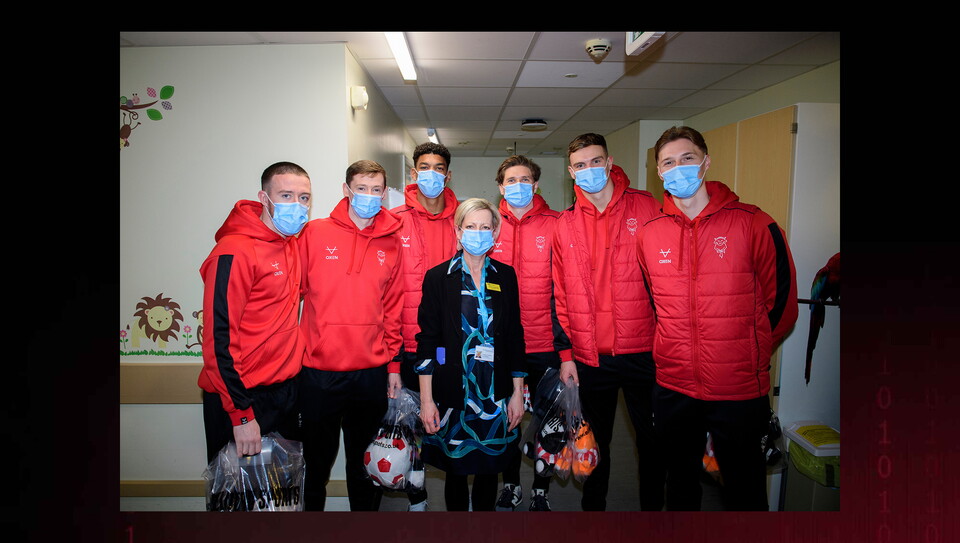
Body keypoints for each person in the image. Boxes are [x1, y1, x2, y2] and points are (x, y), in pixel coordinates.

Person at [637, 126, 798, 511]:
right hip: (674, 383)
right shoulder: (649, 234)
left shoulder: (754, 223)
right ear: (659, 172)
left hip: (739, 386)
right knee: (679, 485)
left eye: (687, 158)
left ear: (706, 162)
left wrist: (749, 351)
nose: (679, 168)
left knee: (744, 488)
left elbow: (783, 304)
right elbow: (655, 302)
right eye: (668, 162)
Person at [551, 133, 665, 511]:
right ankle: (593, 512)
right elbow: (560, 295)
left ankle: (652, 513)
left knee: (652, 440)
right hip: (589, 356)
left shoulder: (648, 209)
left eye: (595, 161)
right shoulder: (563, 224)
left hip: (643, 351)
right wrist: (566, 354)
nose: (589, 170)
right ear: (571, 172)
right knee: (594, 443)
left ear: (610, 161)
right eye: (580, 165)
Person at [297, 159, 404, 511]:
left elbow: (393, 309)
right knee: (315, 466)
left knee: (364, 468)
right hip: (318, 372)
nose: (369, 196)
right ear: (346, 190)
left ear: (385, 194)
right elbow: (288, 295)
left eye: (376, 190)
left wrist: (392, 366)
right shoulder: (313, 233)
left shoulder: (391, 243)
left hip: (369, 374)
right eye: (362, 188)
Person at [415, 198, 526, 511]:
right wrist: (428, 399)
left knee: (490, 470)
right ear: (458, 231)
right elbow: (430, 341)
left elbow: (515, 337)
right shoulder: (438, 278)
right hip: (454, 394)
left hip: (495, 393)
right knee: (456, 471)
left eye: (485, 227)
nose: (478, 233)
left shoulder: (506, 276)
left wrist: (518, 393)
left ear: (495, 232)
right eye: (471, 226)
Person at [198, 161, 311, 462]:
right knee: (239, 501)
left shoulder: (291, 245)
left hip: (286, 392)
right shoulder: (233, 251)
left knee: (284, 498)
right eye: (286, 195)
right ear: (264, 198)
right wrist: (242, 415)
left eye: (304, 197)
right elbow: (218, 340)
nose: (297, 205)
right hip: (243, 398)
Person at [488, 155, 561, 511]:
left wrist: (567, 351)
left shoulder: (557, 224)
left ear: (536, 184)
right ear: (500, 186)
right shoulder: (487, 225)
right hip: (500, 346)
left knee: (548, 422)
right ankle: (512, 484)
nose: (518, 185)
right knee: (507, 420)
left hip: (544, 343)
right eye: (510, 180)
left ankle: (541, 489)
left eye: (525, 179)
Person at [390, 142, 459, 510]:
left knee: (448, 423)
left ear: (448, 174)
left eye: (438, 167)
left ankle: (454, 501)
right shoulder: (394, 219)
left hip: (450, 346)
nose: (431, 173)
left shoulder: (463, 220)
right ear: (414, 173)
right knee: (413, 425)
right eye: (424, 167)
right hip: (408, 344)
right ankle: (416, 498)